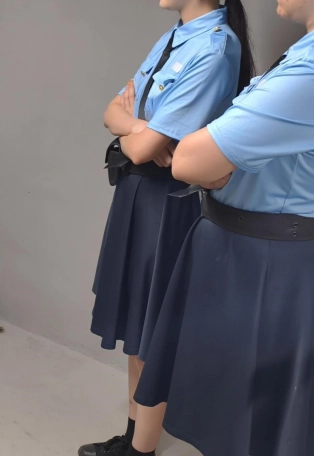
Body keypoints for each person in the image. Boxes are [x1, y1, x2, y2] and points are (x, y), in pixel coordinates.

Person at [134, 0, 314, 454]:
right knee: (241, 415)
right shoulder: (302, 55)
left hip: (270, 261)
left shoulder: (309, 69)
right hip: (254, 250)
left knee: (253, 420)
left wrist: (210, 164)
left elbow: (189, 160)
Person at [86, 1, 254, 455]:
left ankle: (140, 449)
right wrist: (142, 128)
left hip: (168, 203)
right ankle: (132, 437)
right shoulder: (176, 36)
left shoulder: (215, 47)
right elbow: (112, 113)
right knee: (137, 328)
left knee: (152, 333)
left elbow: (143, 150)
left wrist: (137, 134)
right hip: (138, 195)